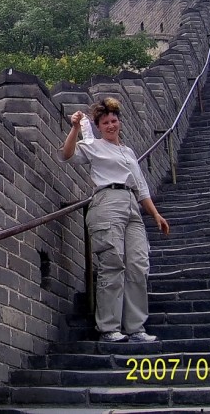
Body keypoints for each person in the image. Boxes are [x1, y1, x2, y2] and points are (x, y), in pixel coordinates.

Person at [59, 97, 170, 343]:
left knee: (138, 265)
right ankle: (109, 328)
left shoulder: (128, 151)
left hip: (132, 206)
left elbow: (141, 187)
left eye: (114, 121)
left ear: (120, 122)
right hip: (107, 201)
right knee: (113, 264)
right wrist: (75, 128)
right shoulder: (94, 146)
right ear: (99, 127)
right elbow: (67, 155)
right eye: (106, 122)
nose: (111, 125)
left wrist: (156, 215)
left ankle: (136, 327)